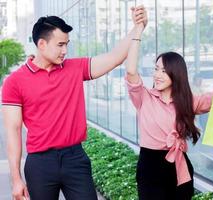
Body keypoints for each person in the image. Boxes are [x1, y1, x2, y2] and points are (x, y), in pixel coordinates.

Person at [1, 6, 147, 200]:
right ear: (42, 44)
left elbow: (115, 58)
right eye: (60, 45)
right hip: (40, 164)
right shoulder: (14, 82)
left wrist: (137, 27)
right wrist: (16, 179)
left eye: (67, 44)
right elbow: (13, 131)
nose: (65, 50)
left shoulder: (75, 68)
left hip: (75, 158)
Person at [125, 21, 213, 199]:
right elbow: (131, 70)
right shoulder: (144, 97)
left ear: (176, 74)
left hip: (179, 170)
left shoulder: (188, 101)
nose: (157, 75)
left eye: (164, 71)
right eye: (156, 69)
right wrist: (138, 30)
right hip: (150, 169)